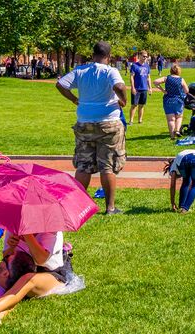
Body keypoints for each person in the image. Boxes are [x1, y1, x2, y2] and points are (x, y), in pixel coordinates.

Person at [56, 41, 128, 216]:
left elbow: (60, 84)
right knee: (107, 166)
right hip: (108, 123)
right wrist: (123, 101)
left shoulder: (81, 71)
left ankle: (77, 206)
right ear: (109, 56)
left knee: (83, 166)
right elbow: (119, 86)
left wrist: (74, 99)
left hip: (85, 122)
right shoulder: (111, 71)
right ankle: (110, 207)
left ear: (92, 54)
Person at [155, 63, 190, 140]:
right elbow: (187, 90)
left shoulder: (167, 78)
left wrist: (163, 90)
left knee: (171, 119)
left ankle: (172, 136)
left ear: (171, 71)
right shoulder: (181, 79)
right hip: (178, 100)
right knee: (179, 117)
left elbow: (155, 82)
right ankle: (177, 130)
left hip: (168, 100)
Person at [165, 148, 195, 213]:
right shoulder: (175, 163)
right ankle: (184, 208)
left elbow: (172, 186)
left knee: (186, 182)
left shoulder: (173, 167)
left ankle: (182, 207)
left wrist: (172, 203)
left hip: (182, 160)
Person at [127, 54, 152, 125]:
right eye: (143, 56)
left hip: (144, 88)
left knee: (142, 105)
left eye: (146, 56)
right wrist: (132, 87)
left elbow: (148, 77)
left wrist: (150, 88)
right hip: (136, 88)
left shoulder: (147, 66)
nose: (145, 58)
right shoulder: (134, 65)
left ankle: (140, 120)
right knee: (134, 105)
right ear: (140, 56)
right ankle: (131, 120)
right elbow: (131, 77)